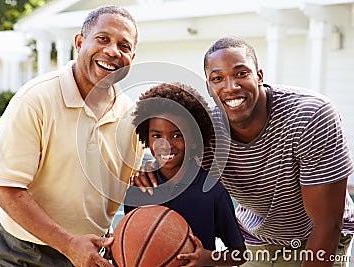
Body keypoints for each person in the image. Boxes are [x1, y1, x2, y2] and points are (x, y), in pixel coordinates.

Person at [134, 36, 354, 267]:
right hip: (258, 239)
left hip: (317, 239)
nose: (230, 87)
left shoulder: (310, 116)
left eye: (241, 73)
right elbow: (171, 154)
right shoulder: (205, 131)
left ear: (259, 76)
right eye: (218, 78)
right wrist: (148, 170)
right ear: (209, 87)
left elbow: (328, 224)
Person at [0, 5, 143, 267]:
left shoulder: (132, 118)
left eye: (124, 46)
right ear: (80, 43)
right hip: (20, 252)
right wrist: (69, 244)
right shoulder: (34, 100)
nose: (112, 51)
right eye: (102, 39)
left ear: (132, 58)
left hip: (89, 253)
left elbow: (130, 191)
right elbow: (6, 190)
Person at [123, 82, 246, 266]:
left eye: (177, 135)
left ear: (195, 139)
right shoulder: (139, 189)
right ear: (146, 140)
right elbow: (130, 244)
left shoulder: (212, 190)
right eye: (157, 136)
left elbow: (240, 254)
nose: (166, 144)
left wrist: (208, 258)